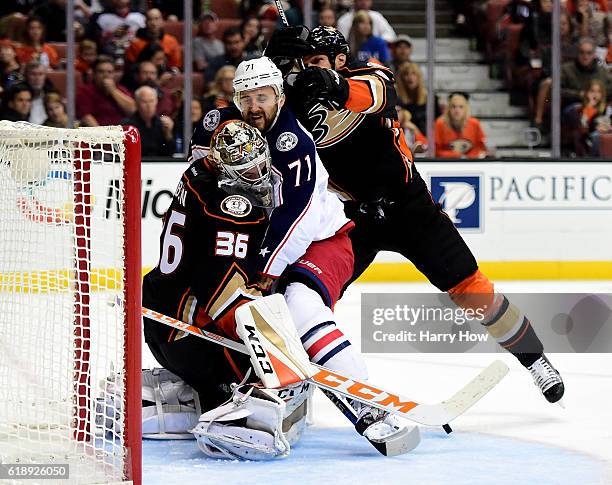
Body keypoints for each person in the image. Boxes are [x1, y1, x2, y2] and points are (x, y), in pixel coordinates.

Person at [265, 25, 566, 404]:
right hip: (353, 219)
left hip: (410, 208)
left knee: (473, 290)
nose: (308, 70)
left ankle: (535, 359)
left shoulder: (370, 74)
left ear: (340, 60)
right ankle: (292, 378)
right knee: (303, 291)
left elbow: (373, 95)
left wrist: (330, 83)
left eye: (318, 62)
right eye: (303, 63)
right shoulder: (291, 99)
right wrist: (270, 60)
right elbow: (257, 115)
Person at [189, 56, 411, 444]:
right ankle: (266, 396)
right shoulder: (230, 124)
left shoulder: (293, 141)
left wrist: (264, 273)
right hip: (272, 249)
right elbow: (202, 165)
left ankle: (368, 403)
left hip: (323, 242)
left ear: (278, 95)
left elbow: (299, 215)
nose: (254, 105)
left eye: (262, 96)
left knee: (298, 302)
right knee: (243, 314)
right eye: (246, 97)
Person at [142, 120, 313, 459]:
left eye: (262, 165)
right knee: (260, 365)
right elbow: (224, 300)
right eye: (249, 173)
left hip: (162, 318)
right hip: (185, 333)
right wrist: (274, 346)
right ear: (228, 173)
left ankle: (200, 391)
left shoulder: (196, 174)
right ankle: (226, 409)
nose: (260, 176)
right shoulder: (233, 208)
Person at [76, 55, 136, 126]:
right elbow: (87, 118)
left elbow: (133, 111)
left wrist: (113, 91)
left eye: (109, 72)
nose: (106, 75)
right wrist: (104, 135)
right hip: (98, 133)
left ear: (114, 74)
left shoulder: (121, 89)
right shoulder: (84, 91)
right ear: (94, 74)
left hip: (121, 132)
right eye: (101, 72)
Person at [121, 85, 174, 156]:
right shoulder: (127, 125)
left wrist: (168, 134)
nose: (149, 105)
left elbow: (171, 153)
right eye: (144, 102)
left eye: (151, 101)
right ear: (137, 103)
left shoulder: (163, 124)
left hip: (160, 164)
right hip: (138, 163)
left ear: (156, 102)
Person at [435, 92, 488, 159]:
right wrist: (457, 156)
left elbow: (481, 148)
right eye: (453, 107)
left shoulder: (474, 123)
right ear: (448, 109)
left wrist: (468, 157)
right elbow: (435, 151)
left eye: (461, 107)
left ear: (466, 109)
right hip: (447, 163)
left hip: (470, 163)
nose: (457, 110)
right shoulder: (440, 124)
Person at [395, 61, 441, 135]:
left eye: (414, 74)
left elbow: (438, 122)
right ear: (401, 78)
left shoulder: (430, 98)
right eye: (406, 74)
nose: (410, 77)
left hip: (427, 138)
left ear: (419, 77)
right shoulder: (396, 99)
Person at [24, 60, 57, 125]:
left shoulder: (51, 91)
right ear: (26, 76)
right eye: (33, 74)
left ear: (45, 76)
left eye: (40, 74)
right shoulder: (18, 93)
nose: (37, 78)